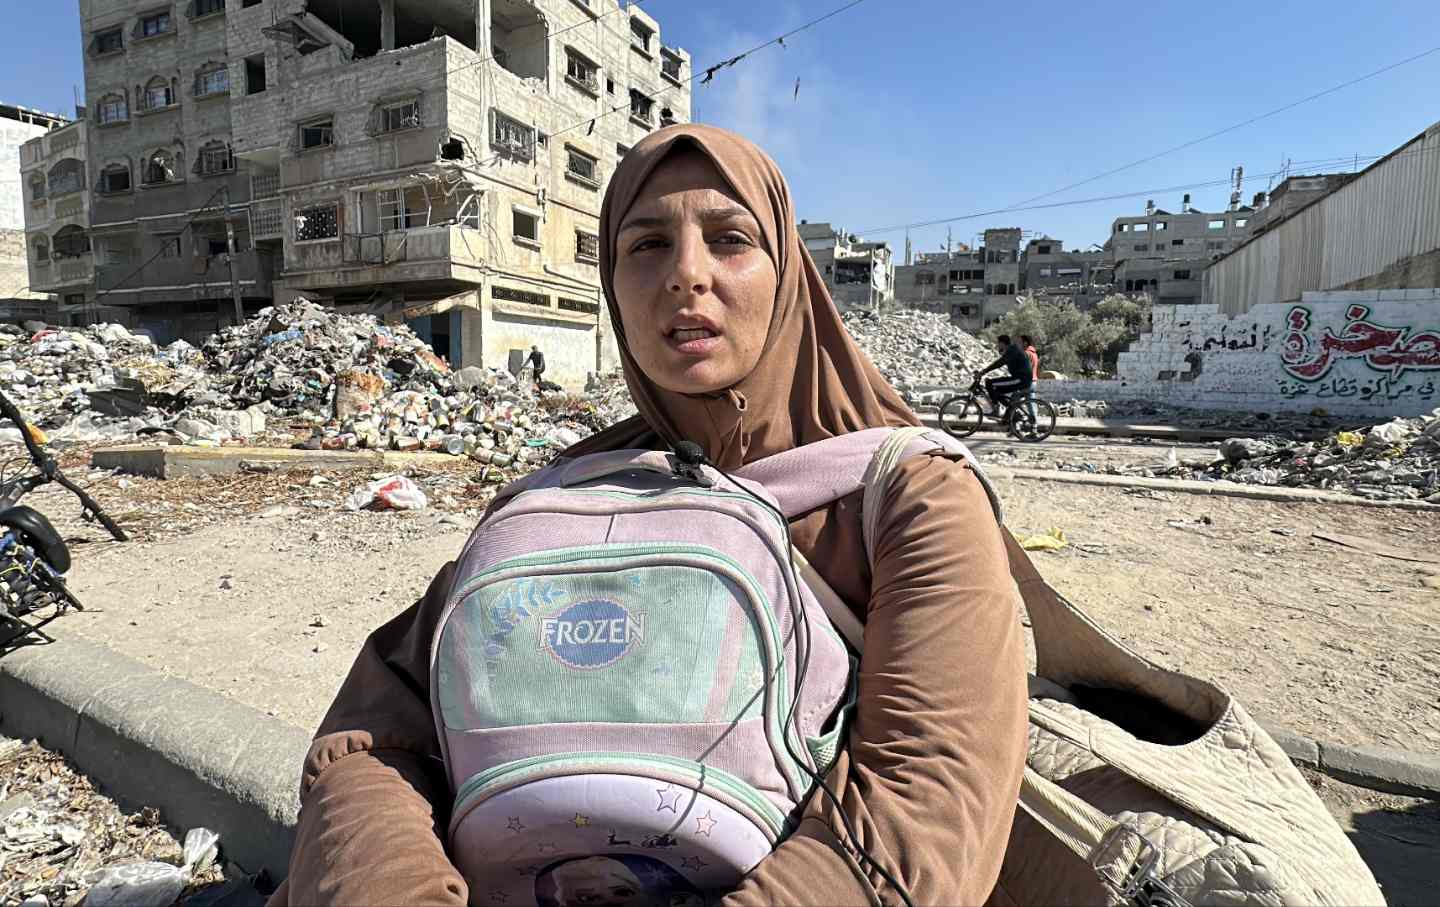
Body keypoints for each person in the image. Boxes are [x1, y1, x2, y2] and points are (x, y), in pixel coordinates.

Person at [267, 125, 1026, 907]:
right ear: (613, 285)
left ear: (788, 273)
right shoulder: (562, 499)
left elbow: (924, 804)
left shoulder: (908, 498)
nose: (686, 275)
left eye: (730, 240)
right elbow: (378, 736)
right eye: (647, 245)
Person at [977, 334, 1034, 416]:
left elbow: (999, 363)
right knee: (997, 391)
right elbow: (1001, 360)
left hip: (1021, 379)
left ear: (1002, 343)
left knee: (990, 383)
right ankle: (1012, 411)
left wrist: (983, 372)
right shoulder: (1012, 349)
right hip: (1020, 378)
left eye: (998, 343)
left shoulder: (1012, 350)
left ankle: (997, 410)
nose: (997, 345)